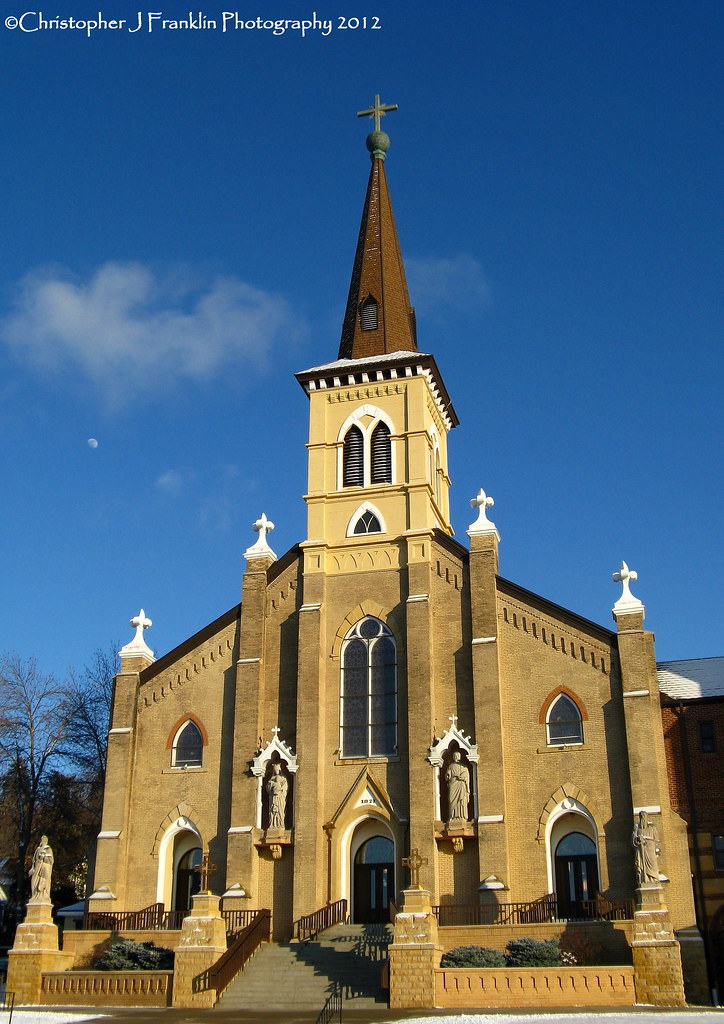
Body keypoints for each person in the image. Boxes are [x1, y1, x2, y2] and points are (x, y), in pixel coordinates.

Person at [632, 810, 661, 885]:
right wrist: (638, 839)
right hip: (642, 850)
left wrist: (657, 850)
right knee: (641, 865)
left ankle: (654, 879)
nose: (643, 818)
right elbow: (633, 840)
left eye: (644, 816)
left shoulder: (652, 827)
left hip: (651, 849)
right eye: (641, 816)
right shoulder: (637, 828)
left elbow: (657, 840)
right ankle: (644, 880)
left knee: (653, 864)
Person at [445, 751, 470, 822]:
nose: (456, 757)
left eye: (457, 756)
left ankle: (462, 816)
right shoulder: (450, 766)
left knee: (461, 800)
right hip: (453, 783)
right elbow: (448, 774)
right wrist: (448, 775)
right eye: (455, 756)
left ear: (460, 757)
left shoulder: (463, 766)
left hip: (461, 784)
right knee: (451, 799)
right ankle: (452, 816)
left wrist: (463, 776)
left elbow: (466, 775)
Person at [29, 834, 53, 902]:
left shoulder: (48, 849)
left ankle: (43, 895)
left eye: (43, 840)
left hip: (44, 868)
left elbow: (51, 861)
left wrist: (44, 857)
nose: (42, 841)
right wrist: (33, 868)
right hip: (37, 867)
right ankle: (34, 896)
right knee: (34, 881)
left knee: (43, 882)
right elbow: (34, 860)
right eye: (41, 840)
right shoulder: (38, 849)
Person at [266, 763, 288, 829]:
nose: (276, 771)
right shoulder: (272, 779)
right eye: (275, 770)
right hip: (273, 798)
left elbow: (284, 789)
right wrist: (270, 785)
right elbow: (268, 788)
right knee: (272, 811)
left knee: (280, 811)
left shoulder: (283, 779)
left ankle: (280, 823)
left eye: (277, 770)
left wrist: (280, 789)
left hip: (280, 798)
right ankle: (272, 824)